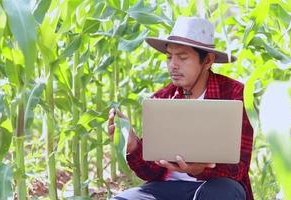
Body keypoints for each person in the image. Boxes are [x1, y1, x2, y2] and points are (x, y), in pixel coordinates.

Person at [108, 16, 254, 200]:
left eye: (183, 57)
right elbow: (150, 173)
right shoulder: (161, 99)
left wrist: (201, 170)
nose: (173, 65)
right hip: (169, 187)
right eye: (169, 57)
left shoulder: (235, 95)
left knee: (220, 194)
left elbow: (239, 168)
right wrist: (132, 144)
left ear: (208, 61)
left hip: (216, 186)